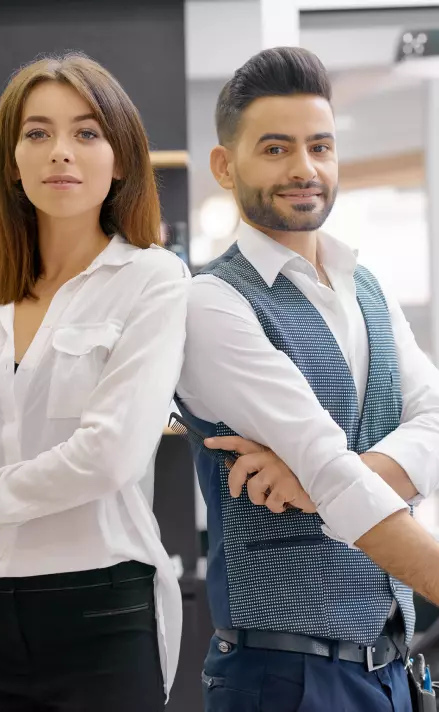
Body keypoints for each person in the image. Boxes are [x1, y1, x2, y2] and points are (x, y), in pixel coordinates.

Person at [0, 52, 189, 712]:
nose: (61, 151)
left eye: (86, 132)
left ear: (120, 159)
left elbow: (107, 456)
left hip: (103, 610)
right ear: (10, 161)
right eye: (37, 133)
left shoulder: (153, 280)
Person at [177, 46, 439, 712]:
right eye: (274, 148)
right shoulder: (211, 301)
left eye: (319, 146)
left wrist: (317, 479)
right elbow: (331, 466)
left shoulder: (366, 288)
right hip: (280, 677)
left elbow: (432, 423)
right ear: (223, 164)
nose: (304, 168)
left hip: (390, 668)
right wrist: (329, 475)